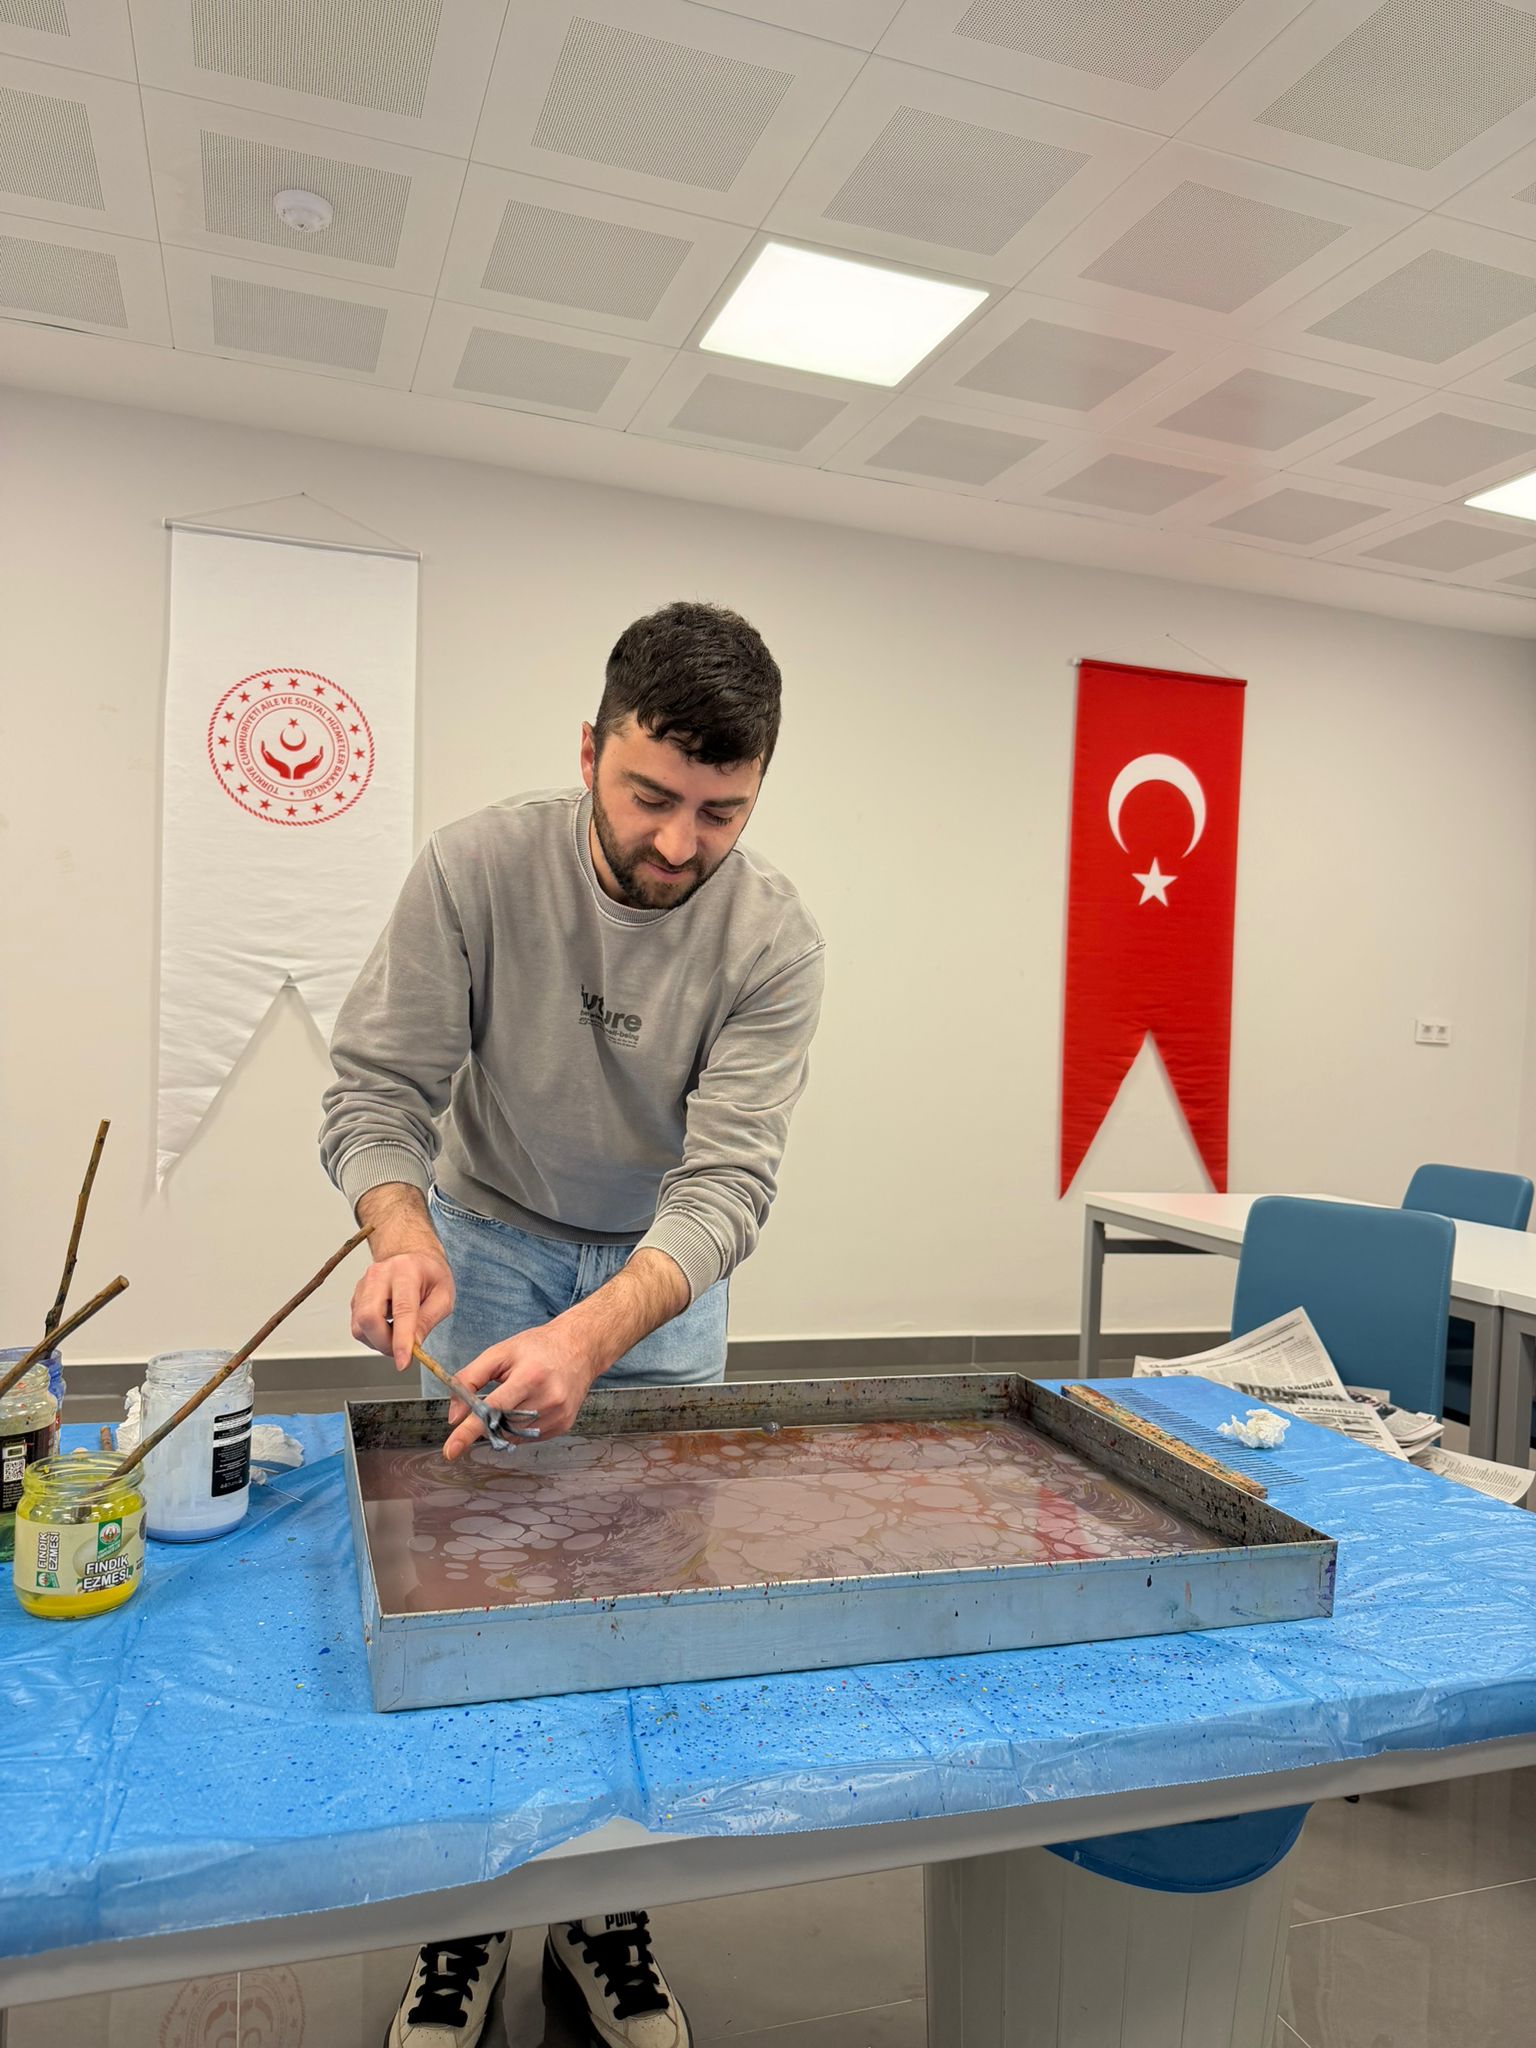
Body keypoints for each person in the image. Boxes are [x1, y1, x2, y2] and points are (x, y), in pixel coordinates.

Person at [320, 601, 824, 2048]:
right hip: (481, 1238)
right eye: (650, 796)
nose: (678, 843)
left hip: (661, 1276)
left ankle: (612, 1911)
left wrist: (599, 1333)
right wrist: (402, 1233)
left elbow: (728, 1188)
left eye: (721, 813)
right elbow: (377, 1094)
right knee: (472, 1588)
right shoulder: (477, 868)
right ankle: (464, 1913)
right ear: (590, 747)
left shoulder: (774, 939)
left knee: (642, 1595)